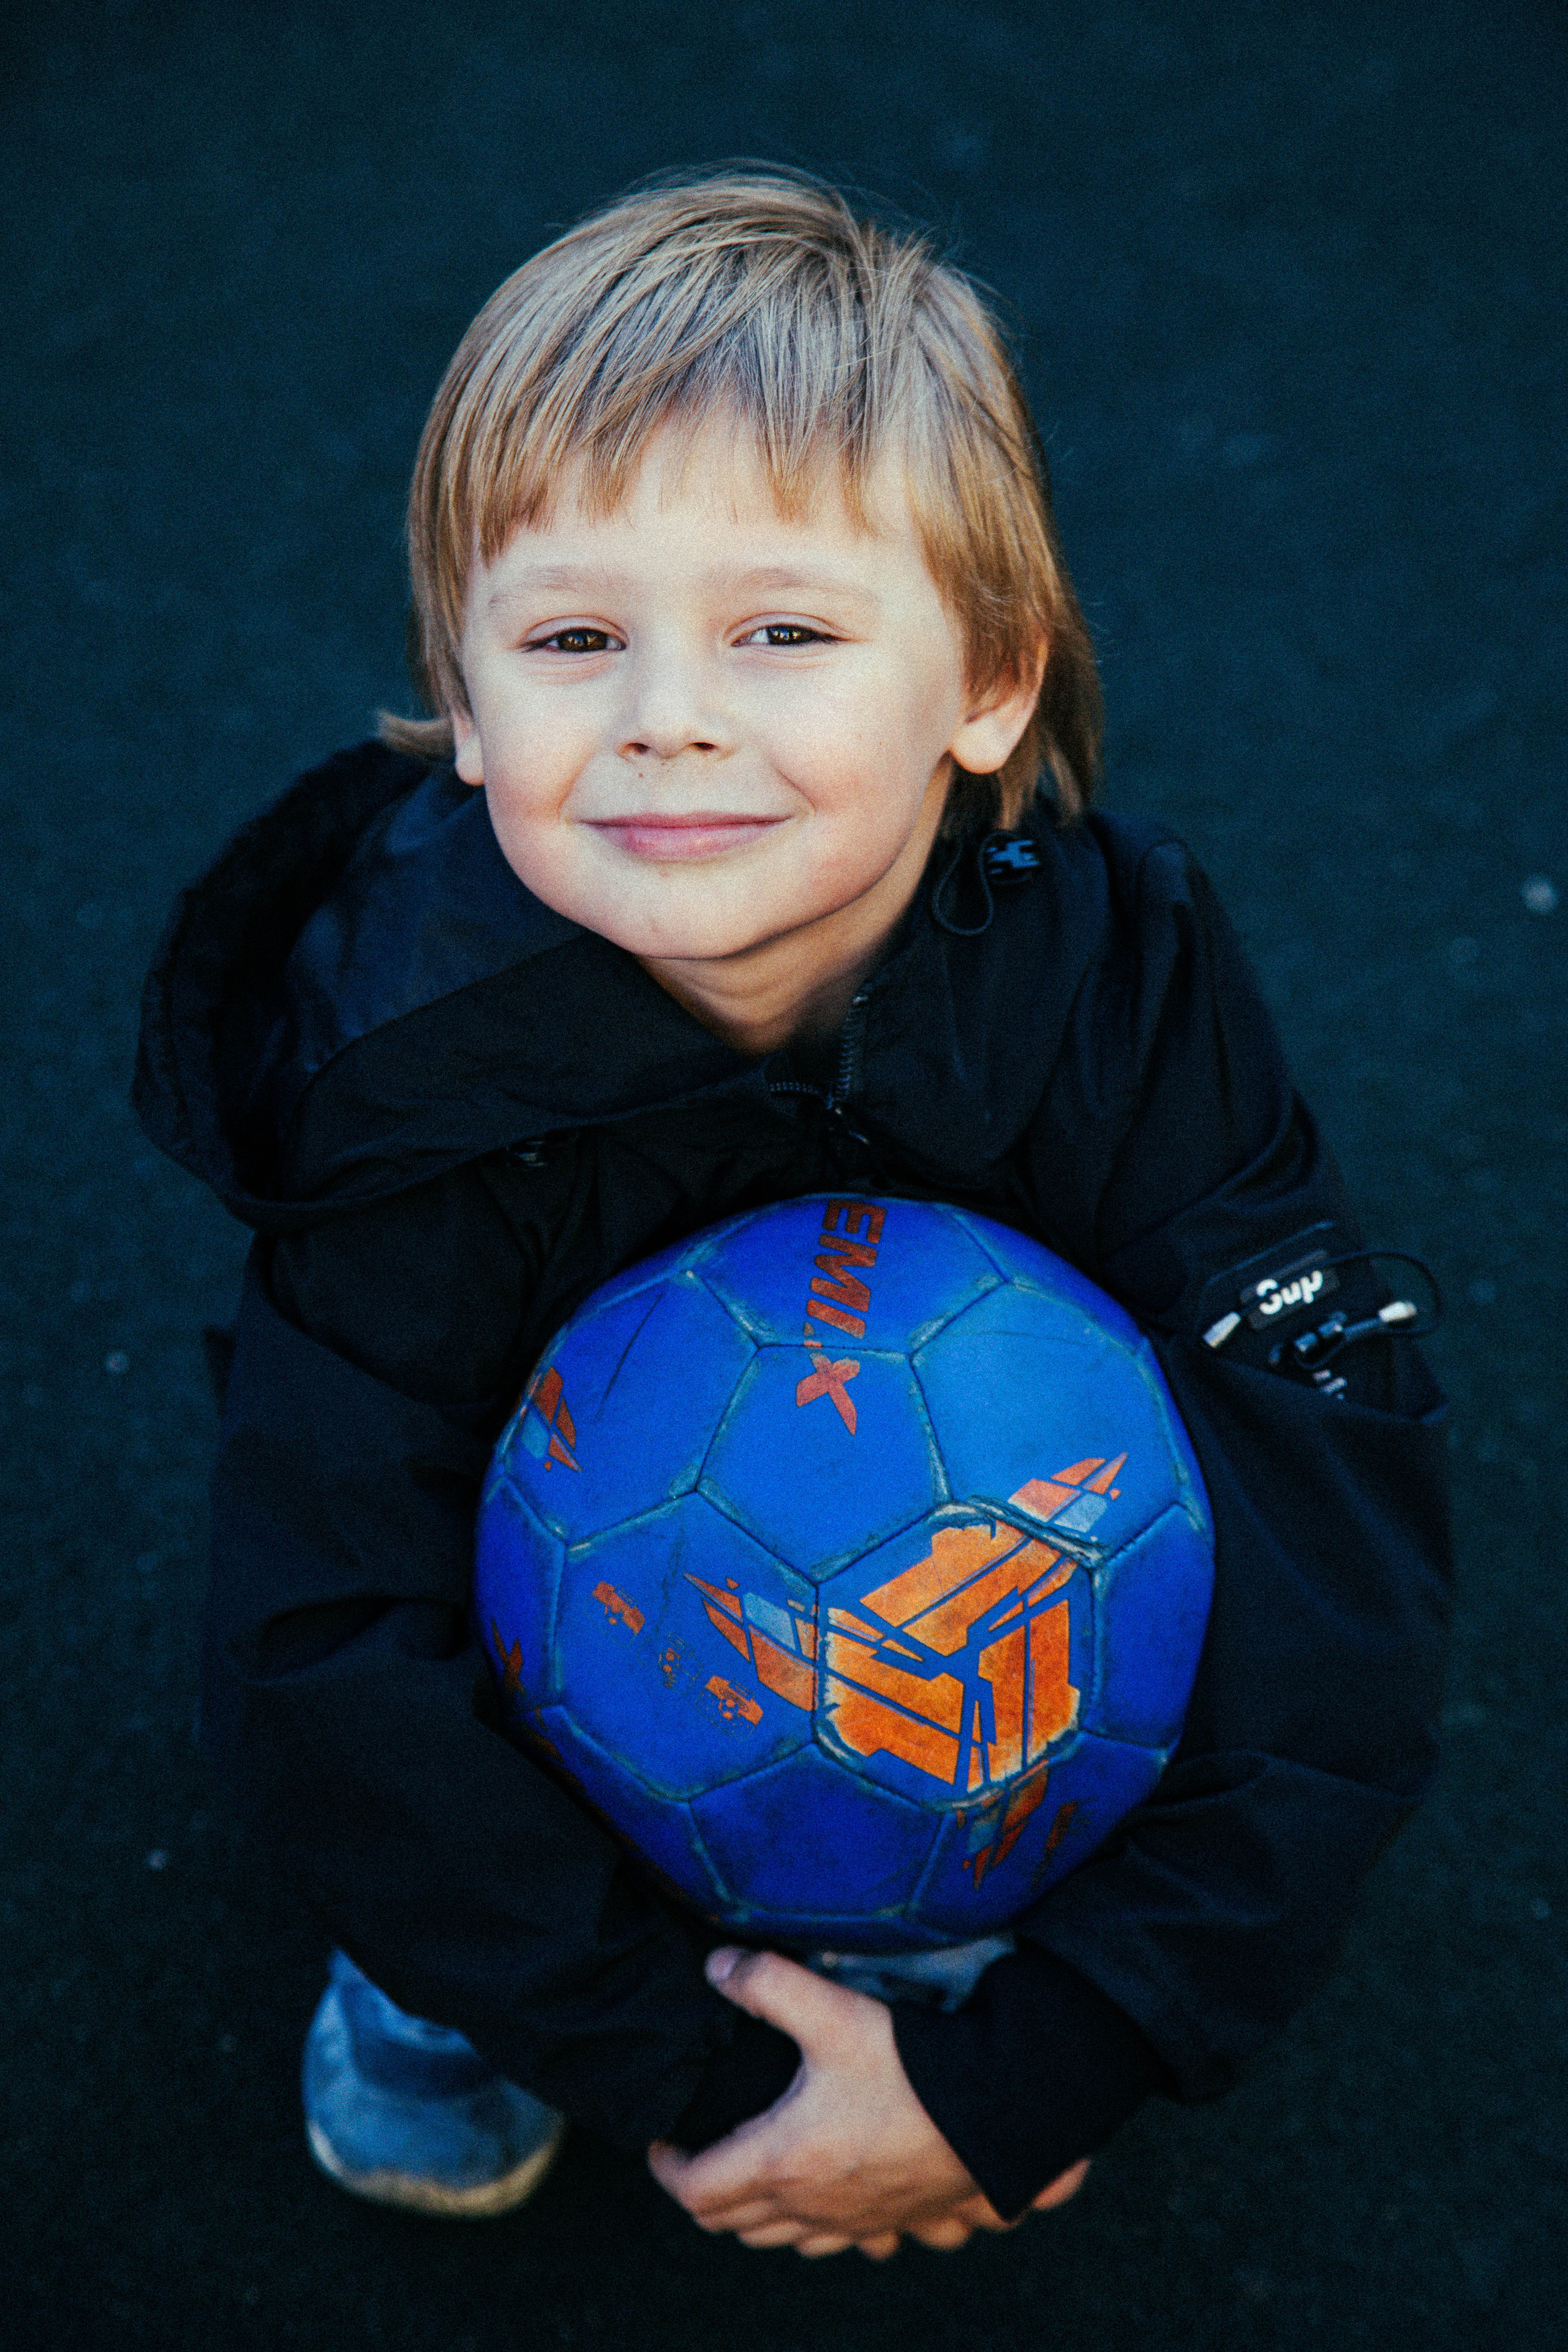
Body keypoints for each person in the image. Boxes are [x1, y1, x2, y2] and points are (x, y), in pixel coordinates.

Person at [134, 169, 1451, 2258]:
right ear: (466, 710)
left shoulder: (1119, 986)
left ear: (989, 682)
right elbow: (316, 1660)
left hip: (948, 1672)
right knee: (395, 1804)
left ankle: (941, 1948)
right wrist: (727, 2083)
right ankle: (468, 1992)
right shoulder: (402, 1091)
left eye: (783, 631)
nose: (667, 710)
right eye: (573, 637)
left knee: (1191, 1563)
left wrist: (1046, 2056)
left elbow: (1336, 1501)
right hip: (548, 1725)